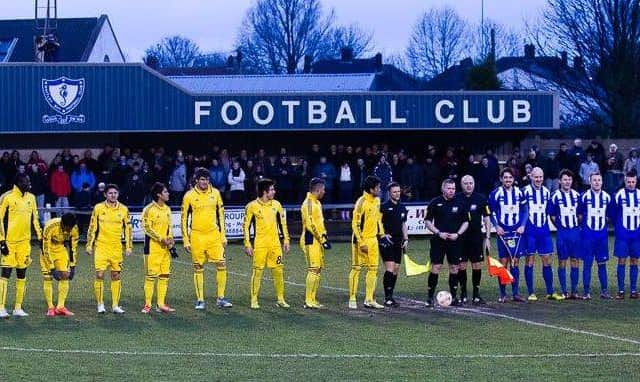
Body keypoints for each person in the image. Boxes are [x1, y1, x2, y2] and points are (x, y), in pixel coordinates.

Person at [181, 168, 231, 310]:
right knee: (198, 267)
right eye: (202, 179)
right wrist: (186, 239)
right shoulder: (189, 196)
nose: (205, 182)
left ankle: (221, 298)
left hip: (214, 235)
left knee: (221, 264)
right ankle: (200, 300)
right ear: (197, 180)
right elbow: (184, 219)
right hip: (197, 236)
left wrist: (223, 235)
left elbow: (221, 215)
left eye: (207, 179)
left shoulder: (215, 193)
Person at [243, 178, 290, 309]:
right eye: (272, 189)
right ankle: (254, 299)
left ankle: (280, 299)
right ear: (265, 192)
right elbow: (246, 227)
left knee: (278, 271)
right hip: (260, 245)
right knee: (258, 272)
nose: (274, 192)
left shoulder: (277, 205)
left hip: (275, 244)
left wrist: (286, 240)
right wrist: (247, 244)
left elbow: (282, 224)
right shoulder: (252, 206)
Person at [0, 174, 43, 318]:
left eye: (29, 181)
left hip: (25, 243)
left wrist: (40, 236)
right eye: (26, 181)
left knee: (22, 274)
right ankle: (1, 308)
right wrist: (1, 241)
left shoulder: (31, 197)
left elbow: (35, 219)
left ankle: (18, 308)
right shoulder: (8, 197)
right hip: (10, 243)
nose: (29, 183)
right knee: (5, 274)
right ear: (18, 182)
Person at [86, 184, 132, 314]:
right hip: (101, 246)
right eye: (110, 193)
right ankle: (100, 304)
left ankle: (115, 305)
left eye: (115, 193)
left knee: (116, 275)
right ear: (105, 194)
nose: (113, 195)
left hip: (116, 248)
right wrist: (89, 244)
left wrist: (128, 246)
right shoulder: (99, 208)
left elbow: (128, 230)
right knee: (99, 274)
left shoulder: (123, 209)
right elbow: (92, 227)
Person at [425, 179, 469, 307]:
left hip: (455, 241)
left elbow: (466, 222)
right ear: (443, 189)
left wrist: (458, 234)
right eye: (449, 188)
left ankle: (454, 297)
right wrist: (438, 233)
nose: (451, 191)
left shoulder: (460, 203)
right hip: (438, 240)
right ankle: (429, 297)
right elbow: (427, 221)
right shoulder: (435, 202)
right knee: (436, 267)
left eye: (453, 189)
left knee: (455, 268)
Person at [522, 167, 564, 301]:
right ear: (531, 177)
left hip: (544, 231)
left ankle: (550, 291)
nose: (538, 179)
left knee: (547, 260)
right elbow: (521, 211)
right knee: (530, 260)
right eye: (536, 177)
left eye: (540, 177)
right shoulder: (524, 192)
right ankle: (531, 292)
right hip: (529, 231)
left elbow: (550, 212)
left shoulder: (547, 192)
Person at [348, 176, 389, 309]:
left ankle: (369, 299)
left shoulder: (377, 200)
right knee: (357, 269)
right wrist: (361, 242)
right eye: (378, 187)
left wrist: (382, 235)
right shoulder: (361, 202)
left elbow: (378, 219)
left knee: (373, 269)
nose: (380, 189)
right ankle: (352, 298)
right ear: (371, 189)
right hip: (360, 241)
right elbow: (355, 224)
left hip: (373, 240)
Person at [488, 168, 528, 303]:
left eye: (510, 178)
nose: (508, 180)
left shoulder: (519, 193)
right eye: (505, 177)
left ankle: (515, 293)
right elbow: (491, 212)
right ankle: (503, 294)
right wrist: (496, 226)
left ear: (514, 179)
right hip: (503, 231)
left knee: (515, 261)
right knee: (503, 262)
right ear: (501, 179)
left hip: (517, 231)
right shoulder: (495, 193)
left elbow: (525, 210)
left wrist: (522, 225)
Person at [141, 183, 177, 314]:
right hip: (152, 249)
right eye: (165, 192)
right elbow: (146, 228)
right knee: (151, 276)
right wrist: (161, 238)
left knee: (164, 275)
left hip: (165, 249)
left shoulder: (167, 209)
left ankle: (161, 304)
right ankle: (147, 305)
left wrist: (171, 240)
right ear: (158, 194)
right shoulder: (149, 209)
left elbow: (170, 228)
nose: (168, 194)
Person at [455, 175, 491, 304]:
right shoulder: (456, 198)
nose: (468, 185)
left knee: (477, 265)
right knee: (462, 265)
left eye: (471, 183)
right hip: (461, 238)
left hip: (476, 237)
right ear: (461, 184)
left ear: (474, 184)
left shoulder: (481, 199)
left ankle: (476, 294)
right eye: (466, 183)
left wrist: (487, 237)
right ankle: (463, 293)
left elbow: (487, 219)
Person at [578, 172, 613, 299]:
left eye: (599, 180)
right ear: (590, 182)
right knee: (587, 264)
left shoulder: (607, 197)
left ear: (602, 181)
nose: (597, 182)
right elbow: (579, 214)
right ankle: (586, 292)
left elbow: (610, 214)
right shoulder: (584, 197)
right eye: (594, 180)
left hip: (602, 236)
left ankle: (604, 291)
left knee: (602, 264)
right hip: (588, 235)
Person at [548, 170, 582, 299]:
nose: (567, 182)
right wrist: (561, 227)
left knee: (575, 260)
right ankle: (564, 290)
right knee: (562, 261)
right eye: (565, 180)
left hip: (574, 232)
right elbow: (552, 216)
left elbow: (580, 215)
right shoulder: (555, 196)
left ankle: (574, 291)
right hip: (562, 233)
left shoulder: (577, 196)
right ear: (560, 181)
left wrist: (574, 226)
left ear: (571, 181)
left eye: (569, 180)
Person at [300, 178, 331, 309]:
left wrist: (324, 237)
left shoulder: (317, 203)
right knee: (313, 269)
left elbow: (320, 224)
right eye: (323, 189)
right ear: (317, 190)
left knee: (318, 269)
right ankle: (308, 300)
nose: (324, 191)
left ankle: (313, 298)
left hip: (318, 240)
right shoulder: (308, 204)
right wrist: (321, 239)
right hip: (310, 240)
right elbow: (310, 225)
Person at [41, 213, 79, 317]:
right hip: (47, 250)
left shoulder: (74, 228)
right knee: (47, 277)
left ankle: (60, 307)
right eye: (67, 228)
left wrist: (72, 266)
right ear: (62, 224)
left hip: (60, 249)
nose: (69, 231)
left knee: (65, 275)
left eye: (70, 228)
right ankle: (50, 307)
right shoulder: (50, 226)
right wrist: (52, 268)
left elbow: (73, 248)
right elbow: (45, 248)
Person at [612, 171, 640, 299]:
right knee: (622, 260)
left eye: (633, 182)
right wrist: (619, 228)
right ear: (625, 181)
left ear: (636, 181)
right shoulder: (619, 195)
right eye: (628, 181)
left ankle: (633, 290)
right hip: (622, 235)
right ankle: (621, 290)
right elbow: (612, 213)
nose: (631, 184)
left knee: (634, 261)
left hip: (636, 235)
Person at [380, 182, 408, 307]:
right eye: (394, 192)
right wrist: (383, 234)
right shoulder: (384, 207)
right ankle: (387, 298)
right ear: (389, 193)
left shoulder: (402, 207)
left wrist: (406, 239)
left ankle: (390, 295)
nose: (397, 193)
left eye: (398, 191)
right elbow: (377, 222)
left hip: (398, 241)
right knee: (390, 268)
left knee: (396, 269)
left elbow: (403, 224)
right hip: (387, 242)